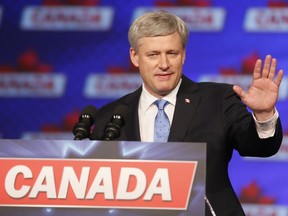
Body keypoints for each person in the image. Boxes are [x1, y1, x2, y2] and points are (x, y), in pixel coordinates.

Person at [90, 10, 284, 215]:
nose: (163, 64)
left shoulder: (217, 99)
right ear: (135, 57)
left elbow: (260, 147)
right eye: (153, 54)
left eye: (171, 53)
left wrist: (264, 114)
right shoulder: (110, 117)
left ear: (183, 54)